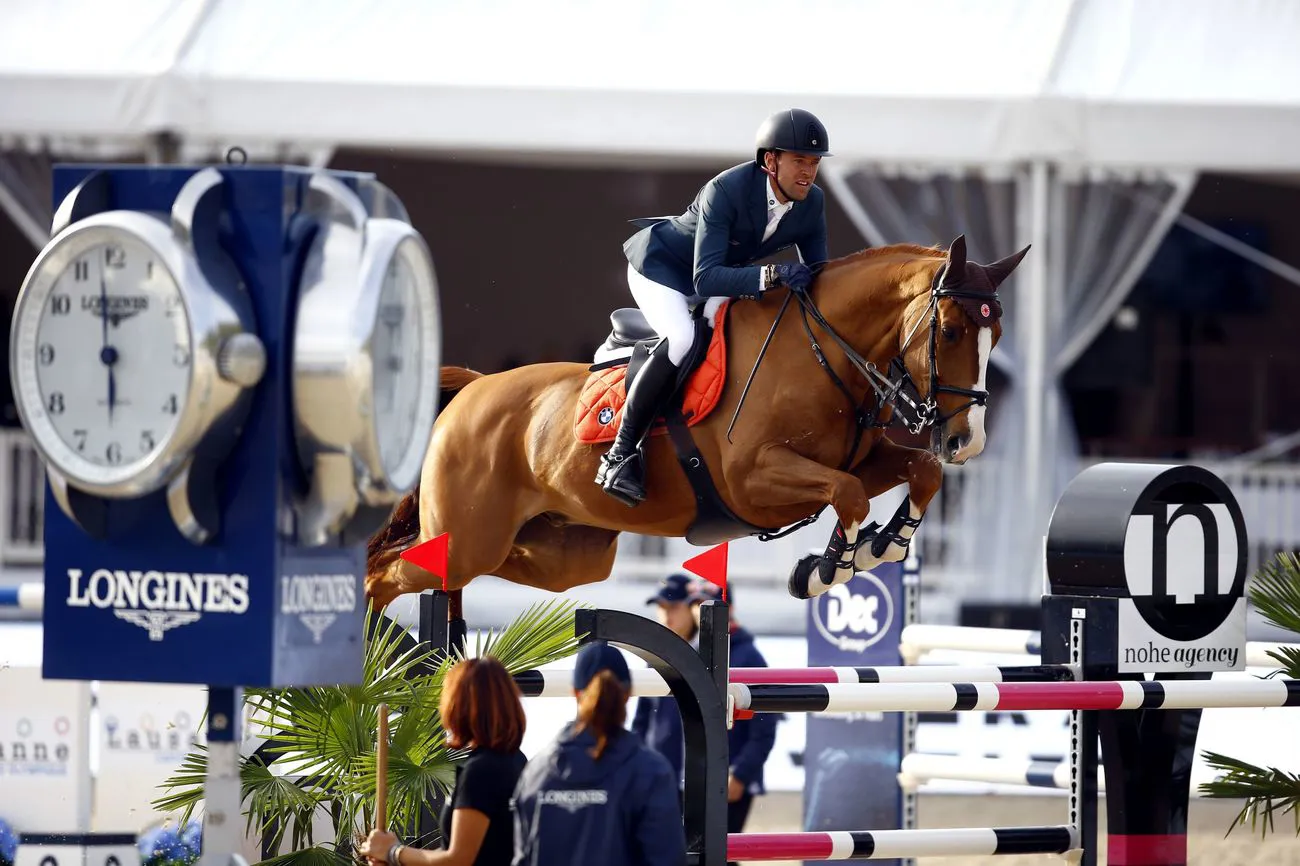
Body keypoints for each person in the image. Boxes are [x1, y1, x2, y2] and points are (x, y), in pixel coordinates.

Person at [596, 108, 834, 506]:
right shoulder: (725, 189)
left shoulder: (812, 203)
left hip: (723, 277)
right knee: (683, 340)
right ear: (770, 160)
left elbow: (820, 274)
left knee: (742, 334)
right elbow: (705, 278)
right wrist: (773, 276)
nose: (808, 172)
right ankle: (620, 453)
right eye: (799, 161)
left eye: (813, 163)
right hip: (662, 270)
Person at [511, 641, 686, 866]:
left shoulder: (536, 771)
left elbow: (522, 857)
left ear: (576, 693)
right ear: (628, 693)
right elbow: (667, 859)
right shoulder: (650, 771)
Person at [359, 655, 526, 866]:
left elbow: (458, 859)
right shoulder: (517, 761)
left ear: (458, 706)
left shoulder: (481, 771)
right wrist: (395, 854)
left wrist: (393, 852)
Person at [689, 580, 778, 861]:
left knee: (721, 855)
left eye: (711, 604)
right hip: (699, 775)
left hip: (731, 781)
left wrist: (740, 775)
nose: (700, 611)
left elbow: (765, 729)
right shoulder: (693, 651)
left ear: (732, 609)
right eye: (696, 604)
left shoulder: (750, 657)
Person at [631, 574, 698, 794]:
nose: (666, 614)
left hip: (701, 780)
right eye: (661, 607)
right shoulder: (654, 661)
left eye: (673, 606)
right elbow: (641, 722)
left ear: (692, 608)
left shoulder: (714, 657)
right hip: (659, 780)